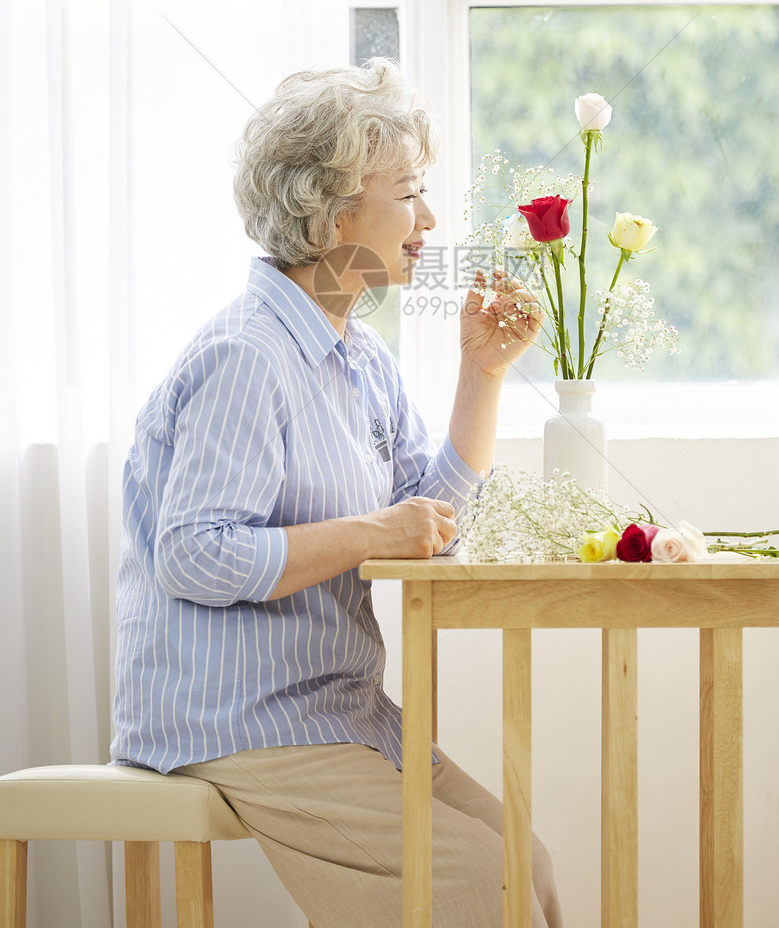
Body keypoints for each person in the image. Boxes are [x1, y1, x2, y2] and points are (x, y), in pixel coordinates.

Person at [111, 60, 562, 927]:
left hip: (335, 708)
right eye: (409, 192)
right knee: (468, 878)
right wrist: (369, 532)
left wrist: (482, 374)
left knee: (524, 862)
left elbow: (428, 523)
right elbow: (194, 554)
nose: (429, 219)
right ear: (332, 211)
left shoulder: (360, 356)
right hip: (236, 717)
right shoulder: (249, 356)